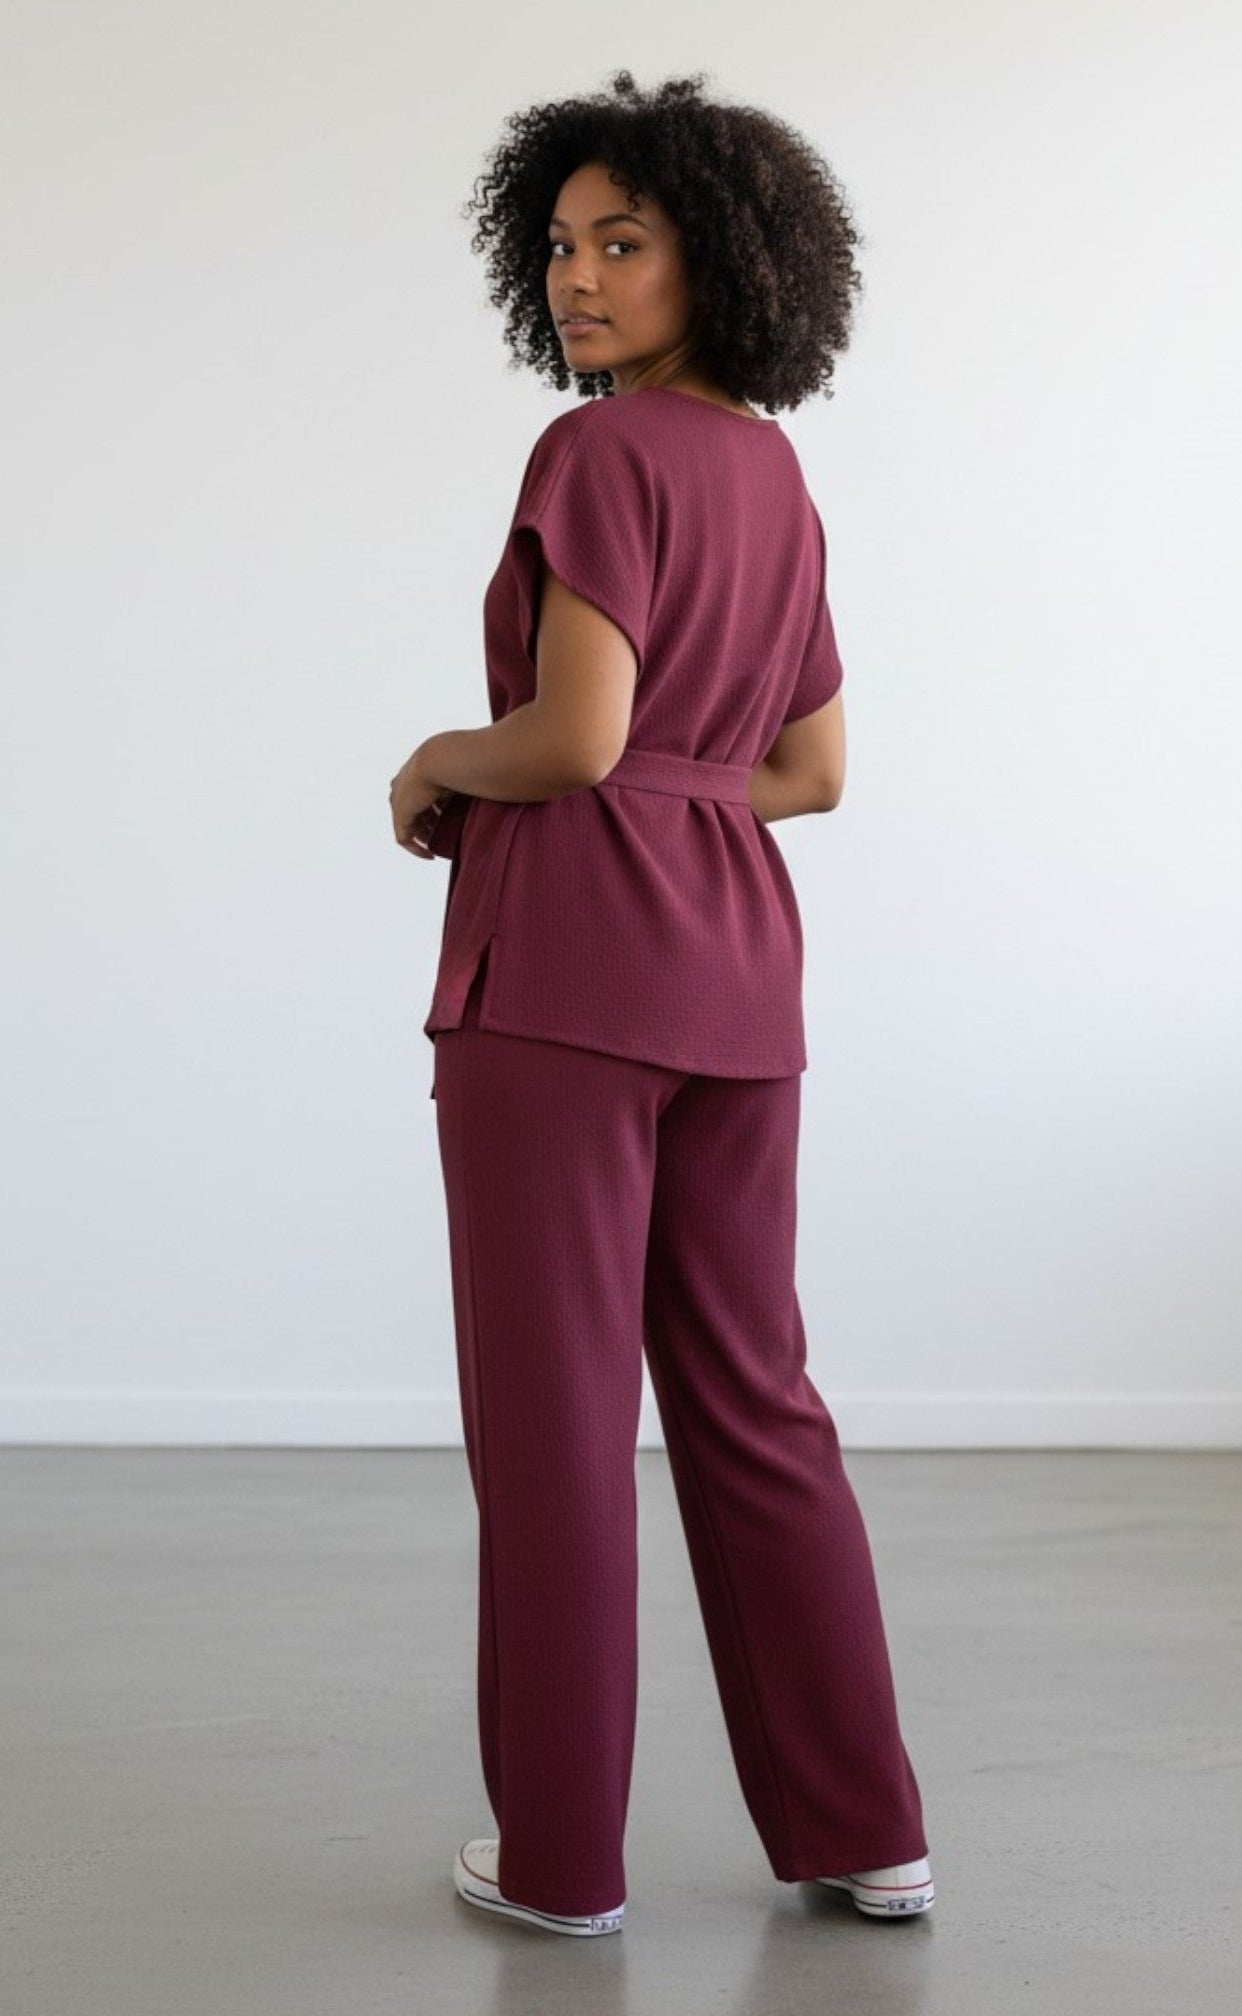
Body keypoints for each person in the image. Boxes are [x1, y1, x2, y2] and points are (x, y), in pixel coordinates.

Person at [388, 68, 933, 1938]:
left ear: (727, 259)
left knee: (552, 1426)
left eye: (625, 241)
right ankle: (869, 1830)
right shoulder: (775, 476)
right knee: (755, 1398)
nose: (580, 280)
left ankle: (559, 1869)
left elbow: (577, 737)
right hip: (735, 976)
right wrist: (665, 786)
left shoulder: (596, 456)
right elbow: (810, 770)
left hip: (561, 982)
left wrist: (440, 759)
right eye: (559, 244)